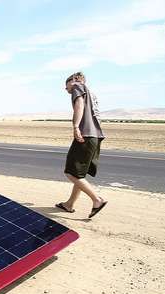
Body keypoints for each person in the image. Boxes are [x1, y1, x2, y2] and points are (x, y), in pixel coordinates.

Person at [55, 72, 108, 218]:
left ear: (73, 80)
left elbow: (79, 105)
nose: (66, 89)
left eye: (66, 86)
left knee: (71, 172)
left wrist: (76, 126)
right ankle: (69, 204)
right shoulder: (91, 93)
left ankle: (97, 200)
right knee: (80, 174)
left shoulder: (78, 87)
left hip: (85, 135)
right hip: (95, 136)